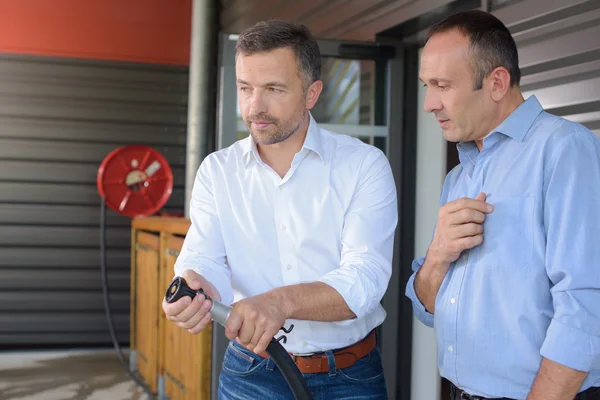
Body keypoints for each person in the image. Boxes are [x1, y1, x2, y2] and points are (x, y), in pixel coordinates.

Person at [162, 20, 397, 399]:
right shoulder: (217, 171)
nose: (255, 107)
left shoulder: (363, 166)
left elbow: (365, 281)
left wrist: (280, 302)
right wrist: (197, 283)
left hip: (349, 377)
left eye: (273, 89)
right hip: (250, 373)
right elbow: (205, 258)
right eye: (245, 89)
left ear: (311, 93)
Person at [405, 9, 600, 400]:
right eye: (427, 85)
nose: (429, 103)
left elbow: (586, 304)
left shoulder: (564, 150)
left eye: (442, 85)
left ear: (497, 82)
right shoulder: (458, 177)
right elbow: (425, 307)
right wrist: (438, 254)